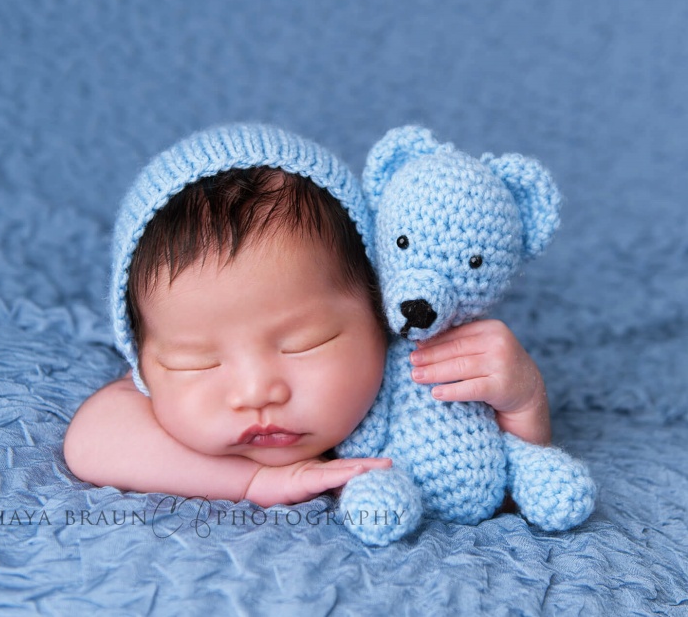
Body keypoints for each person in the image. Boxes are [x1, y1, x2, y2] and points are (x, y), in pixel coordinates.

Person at [64, 124, 551, 508]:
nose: (256, 392)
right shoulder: (148, 394)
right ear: (144, 364)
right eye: (195, 362)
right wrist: (255, 480)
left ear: (378, 311)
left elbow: (496, 480)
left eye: (305, 342)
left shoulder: (419, 373)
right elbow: (93, 438)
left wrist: (522, 403)